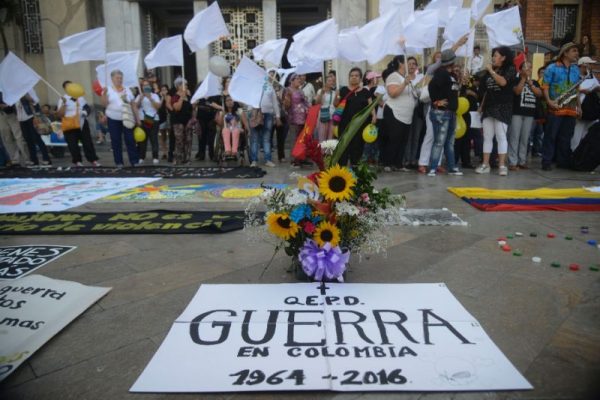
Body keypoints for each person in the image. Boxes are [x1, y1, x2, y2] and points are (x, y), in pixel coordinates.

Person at [476, 46, 516, 176]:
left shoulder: (510, 69)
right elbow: (487, 90)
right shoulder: (490, 71)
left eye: (496, 55)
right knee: (487, 136)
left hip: (503, 107)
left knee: (501, 136)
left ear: (503, 57)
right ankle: (485, 164)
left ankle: (502, 165)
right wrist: (482, 105)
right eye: (493, 56)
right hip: (489, 107)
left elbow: (503, 82)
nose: (493, 58)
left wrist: (491, 71)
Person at [541, 42, 581, 170]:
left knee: (566, 136)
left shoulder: (576, 69)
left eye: (577, 51)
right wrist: (548, 101)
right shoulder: (552, 67)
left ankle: (562, 161)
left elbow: (577, 90)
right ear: (565, 53)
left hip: (571, 108)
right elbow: (545, 86)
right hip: (556, 107)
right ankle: (546, 161)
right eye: (574, 51)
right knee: (551, 135)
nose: (577, 53)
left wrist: (579, 106)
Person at [426, 49, 463, 176]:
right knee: (439, 142)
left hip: (450, 112)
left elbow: (452, 90)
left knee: (449, 142)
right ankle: (432, 168)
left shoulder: (451, 74)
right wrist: (436, 101)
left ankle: (452, 167)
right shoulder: (441, 73)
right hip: (442, 113)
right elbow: (431, 86)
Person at [381, 56, 417, 172]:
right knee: (394, 138)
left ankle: (398, 164)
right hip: (394, 112)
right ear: (400, 63)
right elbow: (393, 93)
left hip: (406, 115)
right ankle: (387, 163)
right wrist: (404, 84)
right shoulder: (393, 76)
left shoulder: (406, 77)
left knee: (403, 140)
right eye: (407, 62)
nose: (410, 65)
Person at [100, 69, 140, 167]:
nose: (119, 80)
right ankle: (119, 162)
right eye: (117, 78)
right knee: (116, 140)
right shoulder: (107, 89)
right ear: (112, 79)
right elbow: (104, 104)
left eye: (121, 78)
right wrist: (104, 94)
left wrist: (137, 119)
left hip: (127, 118)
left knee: (130, 140)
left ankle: (134, 161)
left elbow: (133, 105)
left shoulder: (127, 89)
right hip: (113, 119)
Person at [57, 80, 100, 167]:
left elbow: (87, 108)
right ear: (65, 89)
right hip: (70, 125)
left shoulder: (80, 98)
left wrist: (84, 112)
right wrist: (64, 104)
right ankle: (77, 161)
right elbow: (60, 114)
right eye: (68, 87)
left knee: (87, 142)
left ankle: (93, 160)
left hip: (82, 123)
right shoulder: (62, 99)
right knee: (72, 144)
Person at [508, 61, 542, 170]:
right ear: (520, 69)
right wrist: (523, 79)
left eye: (530, 67)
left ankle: (522, 161)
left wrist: (530, 83)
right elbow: (517, 92)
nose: (528, 69)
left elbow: (539, 94)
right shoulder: (515, 80)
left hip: (529, 114)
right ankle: (513, 162)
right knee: (514, 137)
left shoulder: (535, 82)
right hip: (517, 113)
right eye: (526, 67)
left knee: (525, 138)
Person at [338, 67, 373, 166]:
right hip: (345, 124)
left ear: (361, 78)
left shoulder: (365, 92)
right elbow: (336, 105)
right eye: (352, 76)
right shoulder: (343, 90)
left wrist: (374, 116)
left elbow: (371, 107)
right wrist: (337, 96)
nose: (354, 77)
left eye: (356, 76)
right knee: (343, 148)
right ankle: (342, 170)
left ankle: (355, 169)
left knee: (357, 148)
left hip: (359, 125)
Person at [249, 76, 280, 168]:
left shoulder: (270, 87)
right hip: (255, 113)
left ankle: (268, 159)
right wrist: (251, 113)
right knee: (254, 138)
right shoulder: (253, 86)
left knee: (266, 138)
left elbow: (275, 102)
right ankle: (254, 160)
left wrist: (277, 116)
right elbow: (249, 101)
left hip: (268, 115)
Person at [571, 56, 600, 151]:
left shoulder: (591, 76)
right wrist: (582, 90)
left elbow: (597, 86)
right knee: (577, 132)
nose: (592, 66)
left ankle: (581, 153)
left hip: (589, 109)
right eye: (590, 64)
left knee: (586, 133)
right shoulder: (575, 75)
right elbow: (573, 89)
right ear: (584, 65)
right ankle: (573, 151)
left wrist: (593, 89)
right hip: (578, 107)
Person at [16, 92, 51, 166]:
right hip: (21, 119)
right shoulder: (13, 93)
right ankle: (34, 160)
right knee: (28, 140)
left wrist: (25, 96)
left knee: (37, 138)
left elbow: (35, 101)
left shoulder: (27, 89)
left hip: (31, 117)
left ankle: (46, 159)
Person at [282, 73, 309, 167]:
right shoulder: (287, 90)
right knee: (294, 139)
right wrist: (287, 98)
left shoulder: (301, 91)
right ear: (292, 81)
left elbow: (306, 102)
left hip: (303, 117)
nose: (299, 80)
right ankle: (294, 159)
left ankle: (301, 158)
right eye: (297, 79)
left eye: (299, 79)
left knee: (302, 139)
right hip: (293, 117)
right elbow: (285, 106)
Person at [135, 79, 161, 164]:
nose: (145, 87)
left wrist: (150, 98)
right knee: (142, 140)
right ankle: (141, 156)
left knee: (154, 139)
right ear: (142, 87)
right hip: (143, 119)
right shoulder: (139, 96)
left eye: (147, 85)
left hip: (153, 120)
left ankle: (155, 156)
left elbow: (158, 107)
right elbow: (135, 107)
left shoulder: (154, 96)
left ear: (150, 86)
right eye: (144, 85)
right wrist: (141, 98)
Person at [0, 91, 29, 166]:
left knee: (19, 137)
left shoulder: (7, 86)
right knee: (6, 138)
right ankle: (14, 159)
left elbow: (16, 99)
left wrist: (7, 105)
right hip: (1, 115)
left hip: (12, 114)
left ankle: (27, 159)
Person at [170, 77, 193, 165]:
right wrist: (181, 98)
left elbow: (192, 108)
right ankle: (177, 158)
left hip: (188, 121)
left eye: (186, 84)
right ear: (178, 86)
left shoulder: (188, 96)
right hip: (178, 121)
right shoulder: (175, 96)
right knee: (179, 140)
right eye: (184, 84)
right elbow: (177, 108)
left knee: (188, 139)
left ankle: (187, 158)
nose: (186, 86)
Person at [314, 72, 338, 142]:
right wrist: (321, 93)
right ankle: (322, 152)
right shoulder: (320, 91)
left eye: (332, 81)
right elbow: (317, 103)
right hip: (323, 115)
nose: (331, 82)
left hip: (332, 115)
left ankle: (328, 152)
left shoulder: (334, 92)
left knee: (330, 137)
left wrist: (337, 96)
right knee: (322, 136)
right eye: (329, 81)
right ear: (325, 82)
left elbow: (336, 104)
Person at [157, 84, 170, 159]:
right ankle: (164, 152)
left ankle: (170, 151)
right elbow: (159, 106)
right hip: (161, 119)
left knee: (170, 135)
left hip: (169, 118)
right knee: (162, 136)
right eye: (162, 90)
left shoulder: (169, 97)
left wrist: (166, 98)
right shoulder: (158, 97)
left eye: (165, 89)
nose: (163, 91)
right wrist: (162, 97)